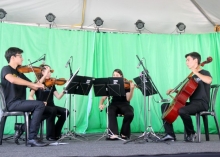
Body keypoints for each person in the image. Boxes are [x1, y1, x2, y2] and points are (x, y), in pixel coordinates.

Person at [1, 47, 48, 147]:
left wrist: (42, 78)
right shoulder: (6, 69)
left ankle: (21, 128)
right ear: (13, 57)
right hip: (11, 103)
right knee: (39, 105)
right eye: (20, 56)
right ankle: (32, 138)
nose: (22, 58)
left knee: (46, 109)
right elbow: (12, 80)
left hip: (20, 102)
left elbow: (33, 85)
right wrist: (33, 85)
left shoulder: (20, 72)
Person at [160, 52, 212, 142]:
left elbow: (209, 80)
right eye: (186, 60)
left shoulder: (204, 72)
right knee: (164, 106)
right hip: (192, 104)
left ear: (195, 60)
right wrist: (175, 90)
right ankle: (170, 134)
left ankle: (191, 133)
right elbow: (187, 91)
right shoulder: (192, 77)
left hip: (202, 103)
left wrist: (196, 71)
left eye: (188, 60)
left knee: (182, 110)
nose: (186, 62)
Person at [29, 64, 69, 141]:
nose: (50, 74)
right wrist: (39, 103)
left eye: (50, 72)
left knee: (66, 111)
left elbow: (58, 97)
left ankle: (56, 133)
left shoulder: (51, 84)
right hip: (41, 107)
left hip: (51, 106)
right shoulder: (36, 84)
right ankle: (50, 136)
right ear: (42, 72)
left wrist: (65, 89)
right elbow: (30, 97)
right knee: (52, 110)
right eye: (48, 72)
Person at [99, 69, 135, 140]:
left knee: (130, 113)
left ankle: (124, 133)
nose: (115, 76)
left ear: (121, 76)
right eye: (114, 75)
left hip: (125, 104)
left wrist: (132, 90)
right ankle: (113, 133)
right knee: (109, 110)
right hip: (114, 104)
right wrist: (101, 104)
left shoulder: (126, 84)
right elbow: (103, 98)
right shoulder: (110, 84)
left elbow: (128, 99)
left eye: (117, 75)